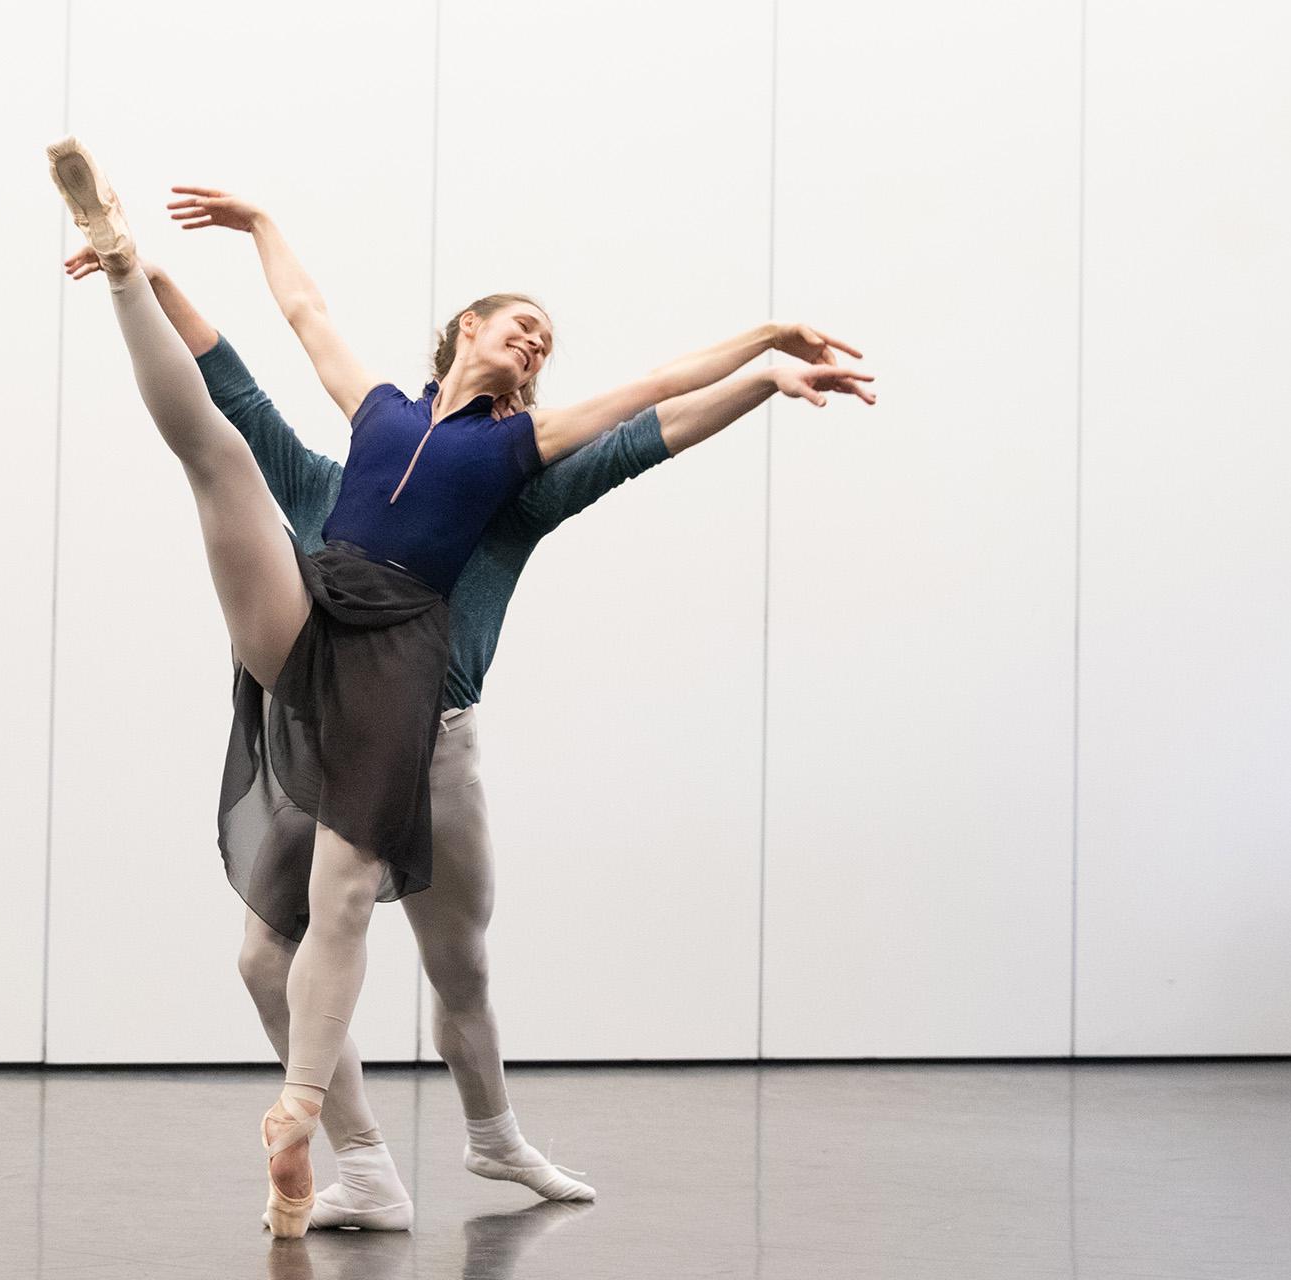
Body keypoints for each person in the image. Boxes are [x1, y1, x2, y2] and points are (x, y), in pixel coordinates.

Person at [44, 138, 874, 1238]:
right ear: (462, 333)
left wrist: (765, 365)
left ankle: (493, 1134)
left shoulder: (518, 473)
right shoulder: (351, 449)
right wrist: (156, 267)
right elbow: (252, 362)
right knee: (262, 952)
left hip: (433, 740)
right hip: (323, 700)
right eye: (512, 318)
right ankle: (362, 1165)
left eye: (543, 336)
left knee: (459, 962)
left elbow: (651, 422)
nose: (532, 337)